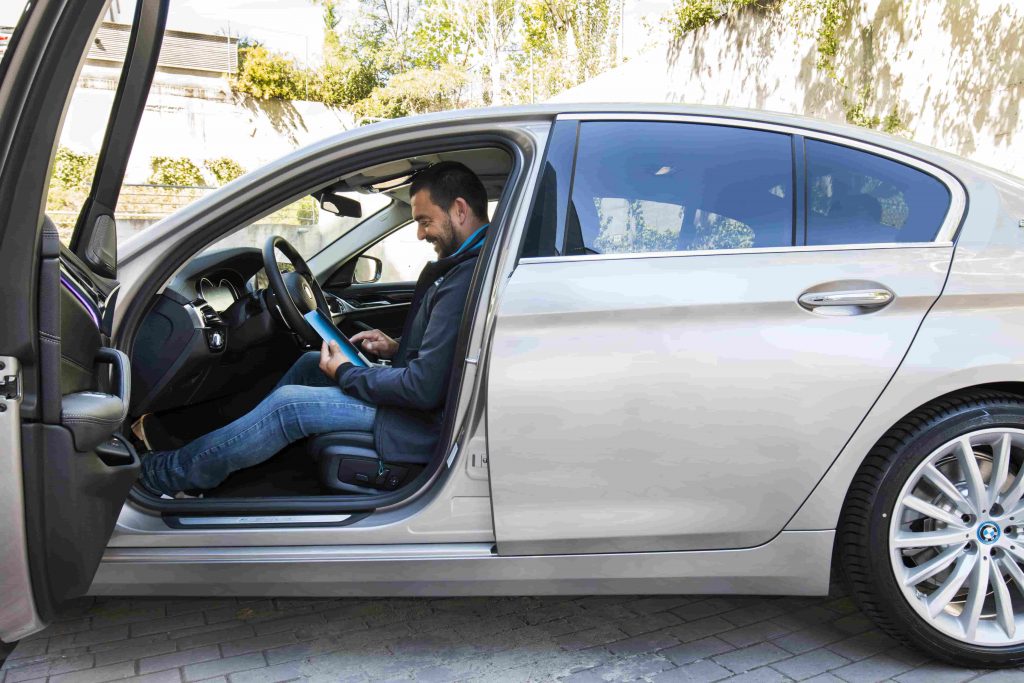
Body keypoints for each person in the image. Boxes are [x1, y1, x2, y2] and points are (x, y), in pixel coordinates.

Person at [139, 161, 490, 496]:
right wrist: (396, 347)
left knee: (288, 406)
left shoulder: (462, 278)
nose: (420, 233)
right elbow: (451, 351)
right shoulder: (467, 266)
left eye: (425, 221)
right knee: (310, 364)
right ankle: (221, 448)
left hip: (421, 422)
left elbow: (422, 390)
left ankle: (167, 475)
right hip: (424, 404)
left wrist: (347, 373)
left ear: (459, 210)